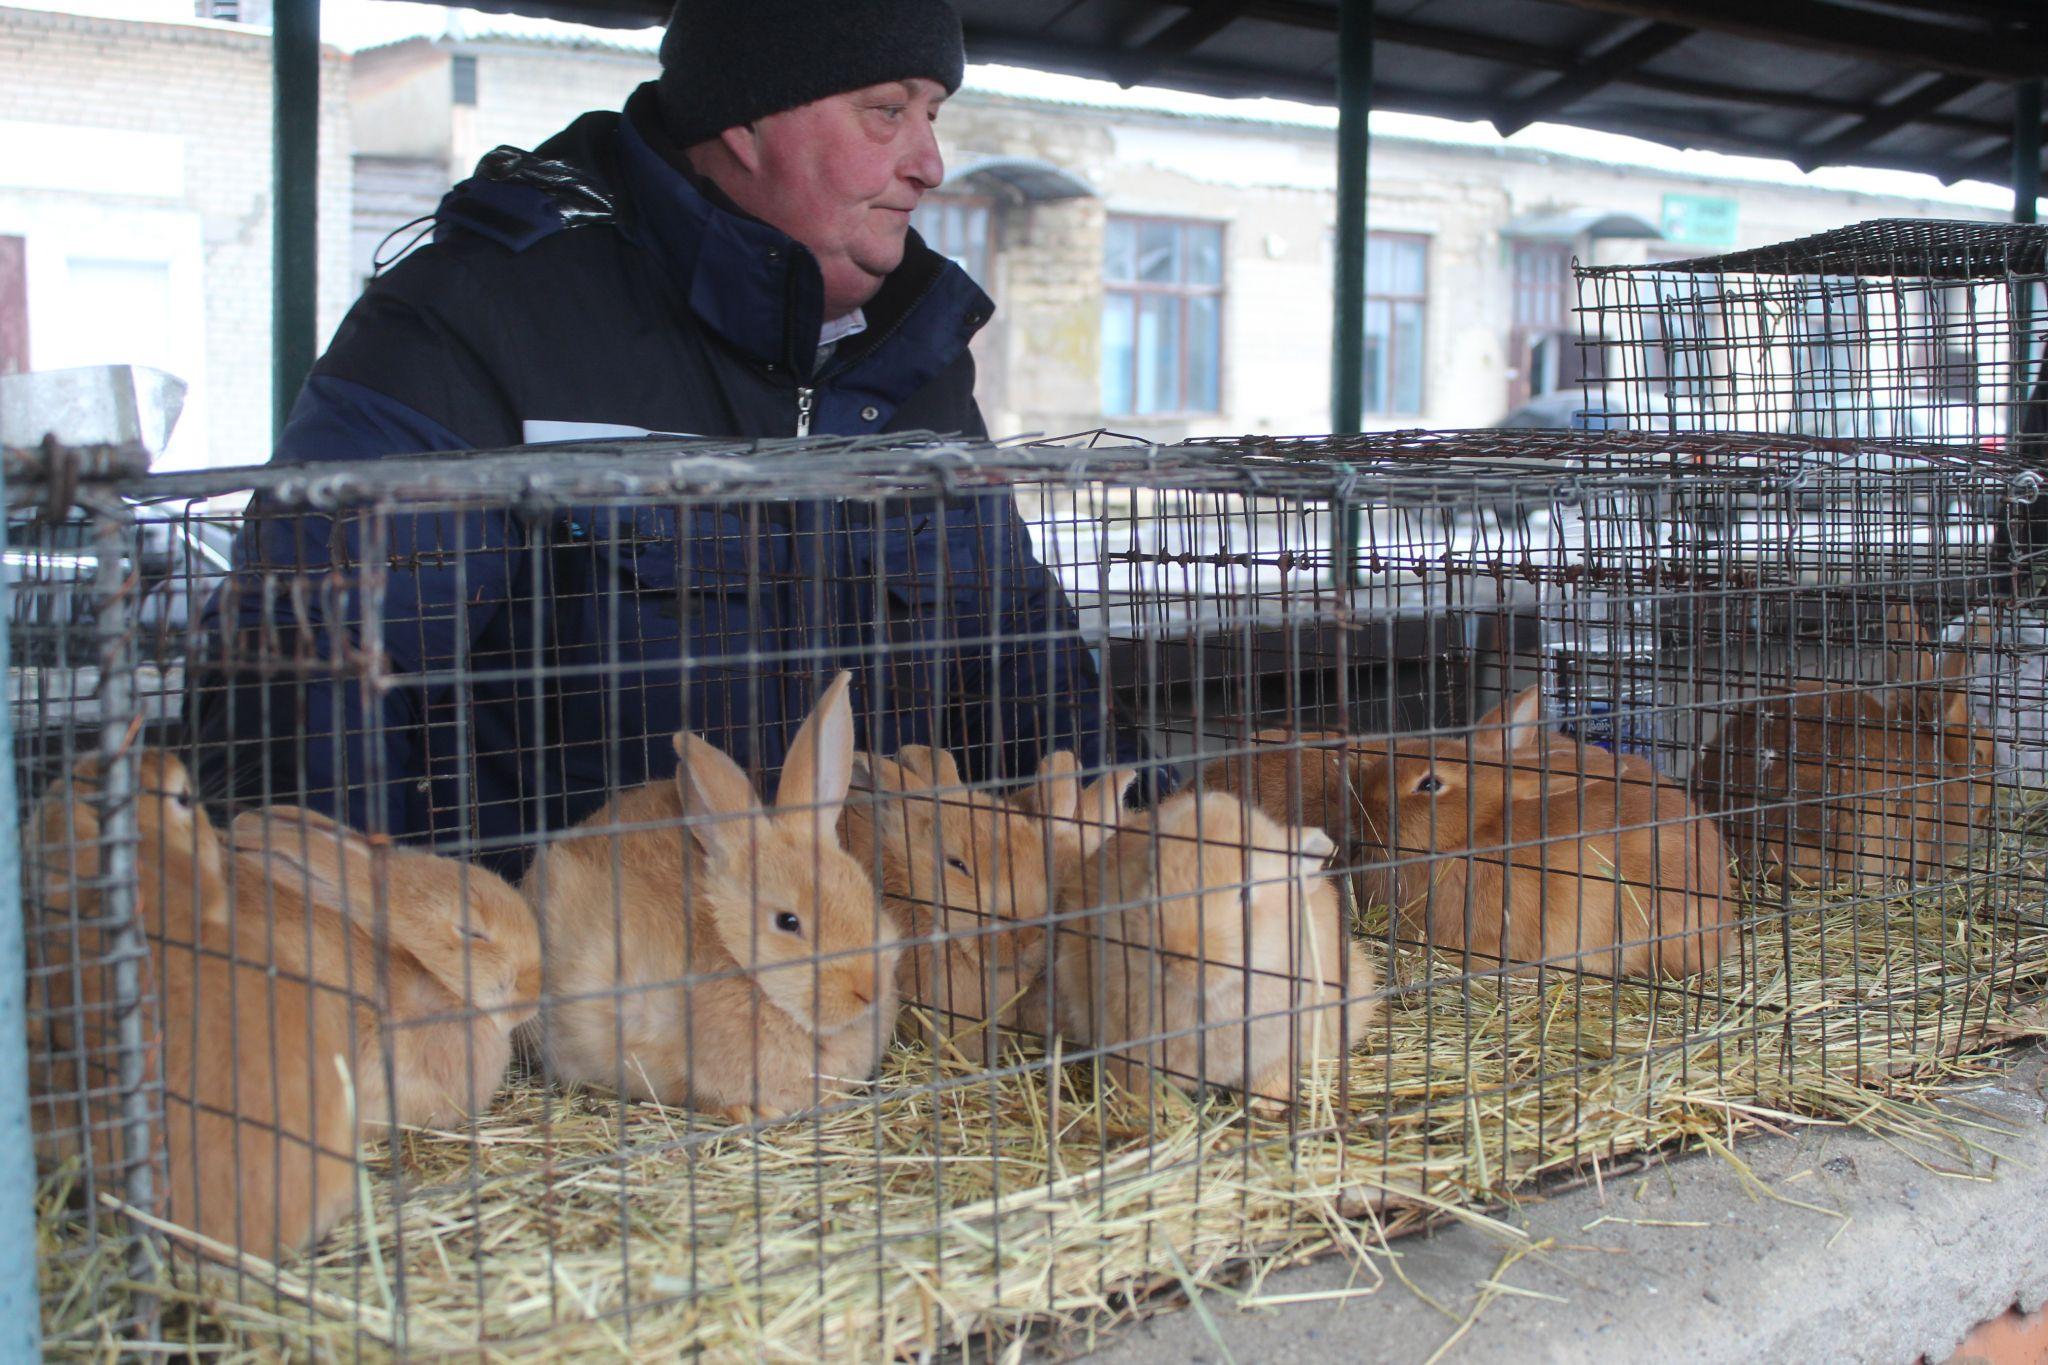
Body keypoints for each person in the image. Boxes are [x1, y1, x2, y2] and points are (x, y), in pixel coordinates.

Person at [192, 0, 1126, 872]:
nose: (931, 163)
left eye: (933, 114)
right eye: (887, 111)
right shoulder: (477, 319)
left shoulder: (917, 355)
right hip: (565, 971)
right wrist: (394, 952)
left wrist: (1140, 874)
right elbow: (309, 689)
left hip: (858, 959)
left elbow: (1023, 661)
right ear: (746, 117)